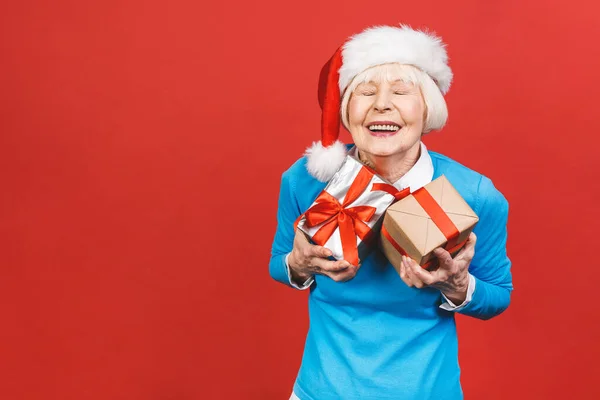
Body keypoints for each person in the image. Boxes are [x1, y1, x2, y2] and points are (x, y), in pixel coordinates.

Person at [269, 24, 513, 400]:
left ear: (427, 108)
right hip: (319, 391)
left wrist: (457, 285)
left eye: (401, 91)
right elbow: (278, 264)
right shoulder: (305, 180)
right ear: (346, 109)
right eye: (365, 92)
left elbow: (498, 295)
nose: (382, 104)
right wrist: (298, 265)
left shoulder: (474, 194)